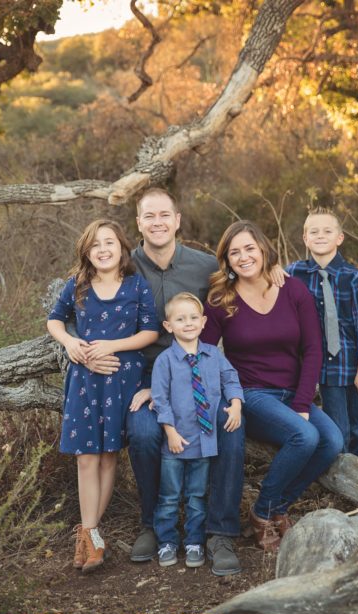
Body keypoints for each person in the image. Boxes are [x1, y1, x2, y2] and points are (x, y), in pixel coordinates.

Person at [126, 186, 247, 578]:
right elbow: (86, 290)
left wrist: (278, 269)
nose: (158, 222)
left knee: (230, 430)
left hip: (200, 372)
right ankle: (152, 523)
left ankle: (219, 532)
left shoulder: (203, 265)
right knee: (145, 433)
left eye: (165, 215)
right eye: (149, 216)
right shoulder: (126, 267)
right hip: (146, 375)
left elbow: (245, 276)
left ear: (178, 220)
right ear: (139, 223)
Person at [202, 221, 344, 553]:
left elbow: (313, 350)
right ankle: (262, 514)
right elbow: (206, 355)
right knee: (304, 436)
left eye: (249, 248)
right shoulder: (222, 299)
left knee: (332, 441)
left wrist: (303, 403)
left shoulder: (293, 290)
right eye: (234, 252)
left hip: (293, 392)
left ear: (264, 249)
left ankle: (275, 505)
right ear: (227, 260)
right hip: (250, 393)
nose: (243, 256)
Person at [47, 219, 158, 573]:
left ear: (122, 248)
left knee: (109, 455)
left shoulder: (136, 286)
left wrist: (113, 345)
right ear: (87, 253)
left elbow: (150, 331)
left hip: (121, 380)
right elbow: (54, 320)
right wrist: (70, 344)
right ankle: (91, 534)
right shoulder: (78, 285)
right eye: (96, 245)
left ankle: (89, 536)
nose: (103, 250)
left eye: (110, 242)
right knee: (85, 458)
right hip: (85, 381)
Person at [149, 292, 244, 568]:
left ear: (203, 322)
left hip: (205, 441)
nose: (188, 323)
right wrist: (169, 432)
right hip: (176, 442)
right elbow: (160, 399)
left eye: (193, 318)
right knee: (168, 496)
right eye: (180, 319)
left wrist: (236, 404)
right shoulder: (165, 361)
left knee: (197, 496)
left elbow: (230, 378)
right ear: (169, 326)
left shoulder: (214, 354)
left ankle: (193, 542)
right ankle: (166, 541)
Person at [287, 208, 358, 465]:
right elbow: (269, 280)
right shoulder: (296, 274)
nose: (320, 236)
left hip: (354, 362)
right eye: (313, 232)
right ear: (305, 238)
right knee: (339, 428)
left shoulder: (353, 278)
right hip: (326, 368)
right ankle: (341, 474)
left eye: (327, 231)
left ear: (340, 238)